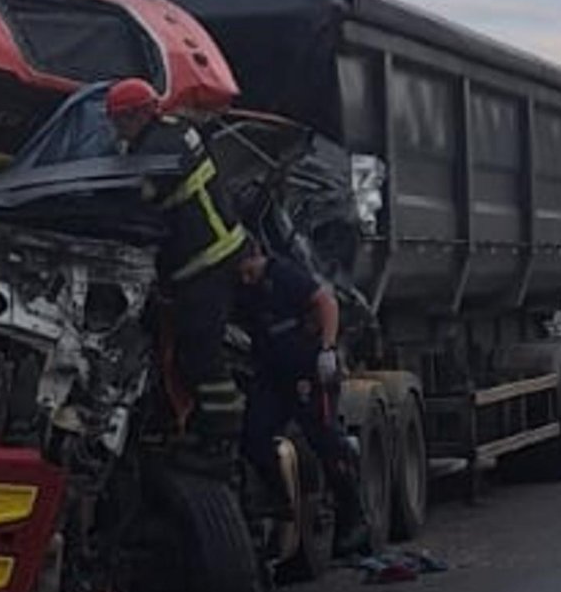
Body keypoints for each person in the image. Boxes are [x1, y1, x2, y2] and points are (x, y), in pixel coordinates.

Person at [106, 78, 249, 451]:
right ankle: (189, 424)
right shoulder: (174, 131)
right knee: (181, 347)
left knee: (200, 352)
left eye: (120, 120)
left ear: (140, 113)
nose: (117, 129)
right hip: (207, 258)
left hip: (206, 261)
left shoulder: (159, 149)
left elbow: (138, 199)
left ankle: (222, 438)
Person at [232, 241, 372, 558]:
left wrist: (327, 349)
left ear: (257, 258)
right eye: (240, 273)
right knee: (254, 435)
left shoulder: (283, 275)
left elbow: (326, 302)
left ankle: (354, 519)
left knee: (325, 440)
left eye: (248, 271)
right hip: (273, 375)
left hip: (307, 372)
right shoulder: (244, 289)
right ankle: (280, 501)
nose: (245, 278)